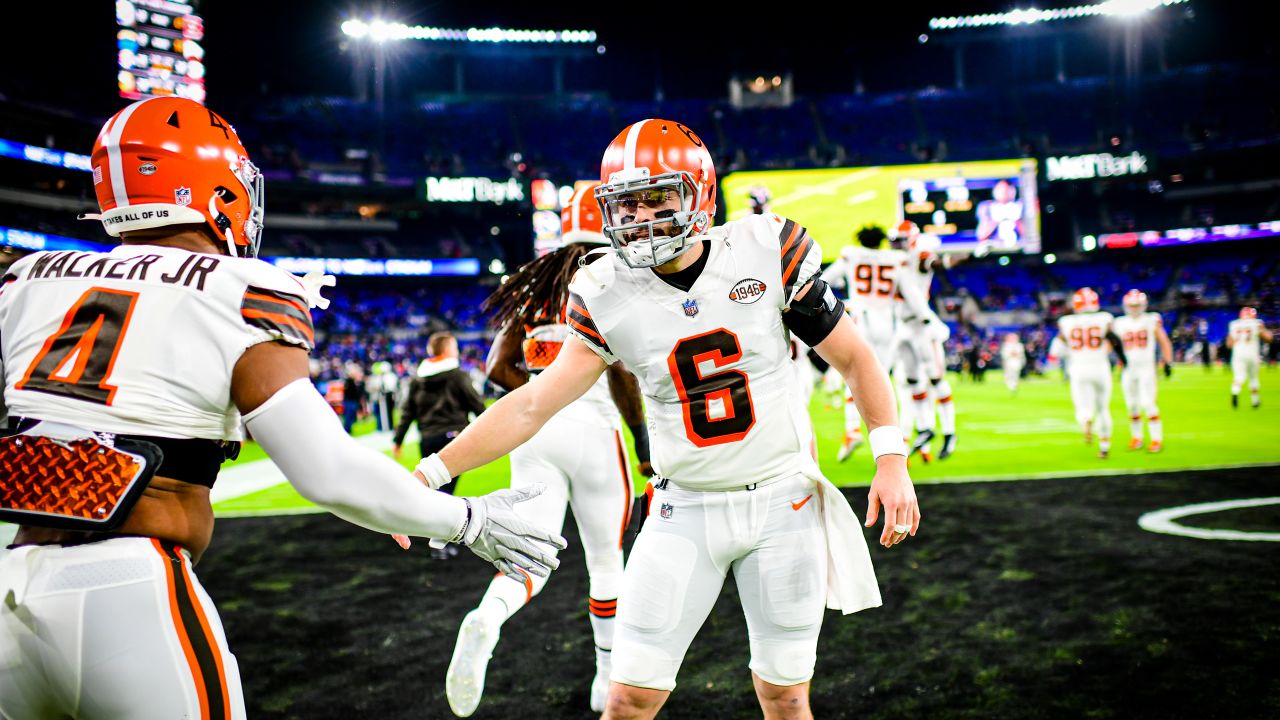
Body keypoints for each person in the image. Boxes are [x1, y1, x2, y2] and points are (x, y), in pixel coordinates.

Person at [0, 97, 564, 720]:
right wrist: (468, 521)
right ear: (220, 194)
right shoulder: (239, 290)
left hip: (11, 592)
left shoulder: (25, 278)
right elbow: (328, 472)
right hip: (129, 592)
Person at [413, 119, 920, 720]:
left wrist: (891, 460)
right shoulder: (603, 289)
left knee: (785, 697)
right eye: (626, 204)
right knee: (628, 699)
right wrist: (432, 472)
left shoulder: (766, 249)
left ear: (700, 194)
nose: (641, 218)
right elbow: (531, 404)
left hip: (785, 502)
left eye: (658, 197)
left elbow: (857, 360)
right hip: (685, 510)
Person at [444, 184, 653, 716]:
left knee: (530, 552)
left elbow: (496, 368)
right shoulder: (610, 277)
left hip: (535, 435)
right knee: (607, 563)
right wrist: (643, 441)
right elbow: (624, 375)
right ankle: (606, 676)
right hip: (596, 432)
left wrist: (540, 396)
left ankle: (489, 617)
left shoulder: (537, 285)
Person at [821, 225, 931, 462]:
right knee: (881, 381)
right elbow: (911, 292)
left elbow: (824, 280)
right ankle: (893, 443)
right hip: (888, 324)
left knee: (852, 375)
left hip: (862, 321)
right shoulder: (896, 259)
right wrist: (926, 317)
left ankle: (852, 430)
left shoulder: (852, 254)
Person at [891, 221, 960, 460]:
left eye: (900, 240)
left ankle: (950, 432)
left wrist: (955, 259)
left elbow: (935, 263)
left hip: (923, 325)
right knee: (912, 380)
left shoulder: (919, 255)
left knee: (935, 377)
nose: (896, 245)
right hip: (903, 325)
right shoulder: (893, 259)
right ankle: (925, 428)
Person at [393, 331, 487, 498]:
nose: (457, 351)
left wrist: (398, 441)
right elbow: (476, 404)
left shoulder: (417, 379)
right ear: (448, 350)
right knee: (443, 494)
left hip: (428, 439)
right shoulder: (458, 375)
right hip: (454, 436)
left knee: (437, 492)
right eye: (455, 347)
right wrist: (493, 429)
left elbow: (408, 412)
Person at [1048, 288, 1127, 458]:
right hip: (1100, 366)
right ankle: (1104, 447)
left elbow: (1056, 350)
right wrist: (1123, 360)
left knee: (1083, 407)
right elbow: (1115, 341)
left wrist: (1070, 350)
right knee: (1103, 409)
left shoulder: (1067, 322)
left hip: (1079, 367)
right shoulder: (1104, 318)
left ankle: (1086, 419)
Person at [1113, 290, 1174, 451]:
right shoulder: (1120, 323)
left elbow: (1164, 341)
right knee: (1132, 405)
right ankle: (1137, 437)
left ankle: (1156, 439)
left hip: (1146, 368)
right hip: (1128, 369)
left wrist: (1168, 362)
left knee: (1148, 403)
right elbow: (1115, 346)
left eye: (1137, 305)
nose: (1134, 309)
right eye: (1131, 305)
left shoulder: (1151, 320)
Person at [1227, 306, 1272, 409]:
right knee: (1253, 377)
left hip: (1238, 354)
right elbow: (1268, 338)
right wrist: (1263, 329)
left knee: (1239, 377)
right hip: (1252, 353)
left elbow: (1229, 344)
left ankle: (1235, 392)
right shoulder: (1257, 323)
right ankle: (1255, 400)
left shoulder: (1234, 324)